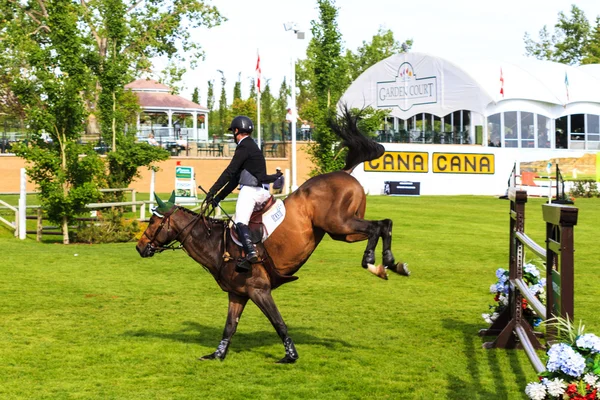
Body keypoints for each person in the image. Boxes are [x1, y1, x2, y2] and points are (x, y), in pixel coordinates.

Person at [204, 115, 283, 267]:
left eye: (233, 131)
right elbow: (234, 180)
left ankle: (250, 252)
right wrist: (218, 198)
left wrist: (211, 191)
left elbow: (229, 172)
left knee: (240, 222)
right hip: (261, 191)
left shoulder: (243, 147)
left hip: (250, 191)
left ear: (236, 131)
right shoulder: (252, 146)